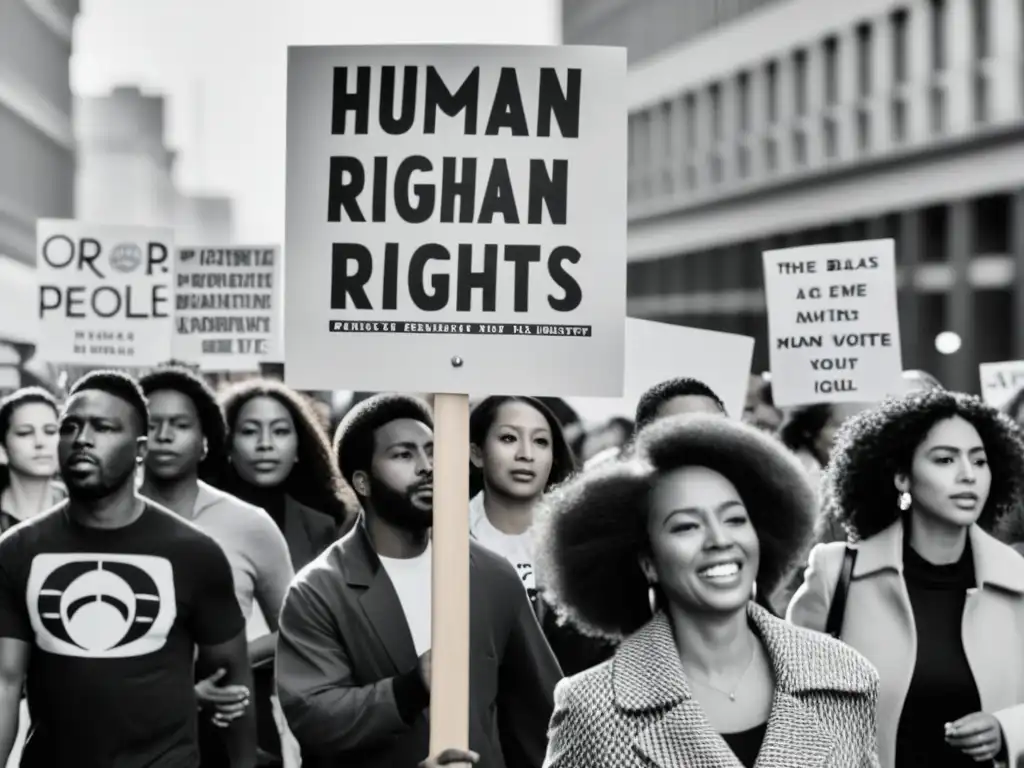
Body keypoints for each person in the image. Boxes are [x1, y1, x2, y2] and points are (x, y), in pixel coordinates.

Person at [535, 414, 881, 768]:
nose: (719, 540)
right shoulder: (591, 707)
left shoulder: (846, 677)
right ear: (648, 562)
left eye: (734, 519)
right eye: (686, 526)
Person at [275, 393, 562, 768]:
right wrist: (408, 688)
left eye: (433, 451)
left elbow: (543, 713)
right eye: (404, 455)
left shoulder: (492, 574)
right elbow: (315, 717)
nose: (428, 467)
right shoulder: (318, 589)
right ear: (362, 481)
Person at [0, 370, 255, 767]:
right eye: (70, 427)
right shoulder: (18, 551)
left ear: (139, 449)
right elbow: (4, 681)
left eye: (102, 427)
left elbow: (234, 685)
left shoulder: (193, 553)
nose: (82, 439)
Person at [787, 390, 1024, 768]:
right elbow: (791, 707)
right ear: (901, 477)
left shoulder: (1017, 579)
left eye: (979, 461)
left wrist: (1007, 729)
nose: (968, 474)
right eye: (945, 459)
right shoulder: (836, 573)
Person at [138, 366, 295, 766]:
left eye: (180, 424)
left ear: (206, 442)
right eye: (152, 424)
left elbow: (295, 628)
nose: (165, 435)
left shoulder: (249, 523)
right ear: (135, 438)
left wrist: (225, 656)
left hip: (230, 722)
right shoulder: (102, 519)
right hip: (127, 723)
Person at [469, 395, 611, 676]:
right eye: (509, 439)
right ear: (476, 452)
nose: (526, 454)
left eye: (540, 441)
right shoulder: (438, 537)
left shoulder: (584, 545)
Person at [219, 379, 357, 570]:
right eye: (250, 431)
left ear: (299, 447)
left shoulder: (324, 527)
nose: (265, 443)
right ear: (228, 445)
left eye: (280, 431)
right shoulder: (201, 517)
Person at [0, 388, 66, 532]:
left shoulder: (87, 509)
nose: (40, 442)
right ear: (3, 449)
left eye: (50, 431)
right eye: (25, 433)